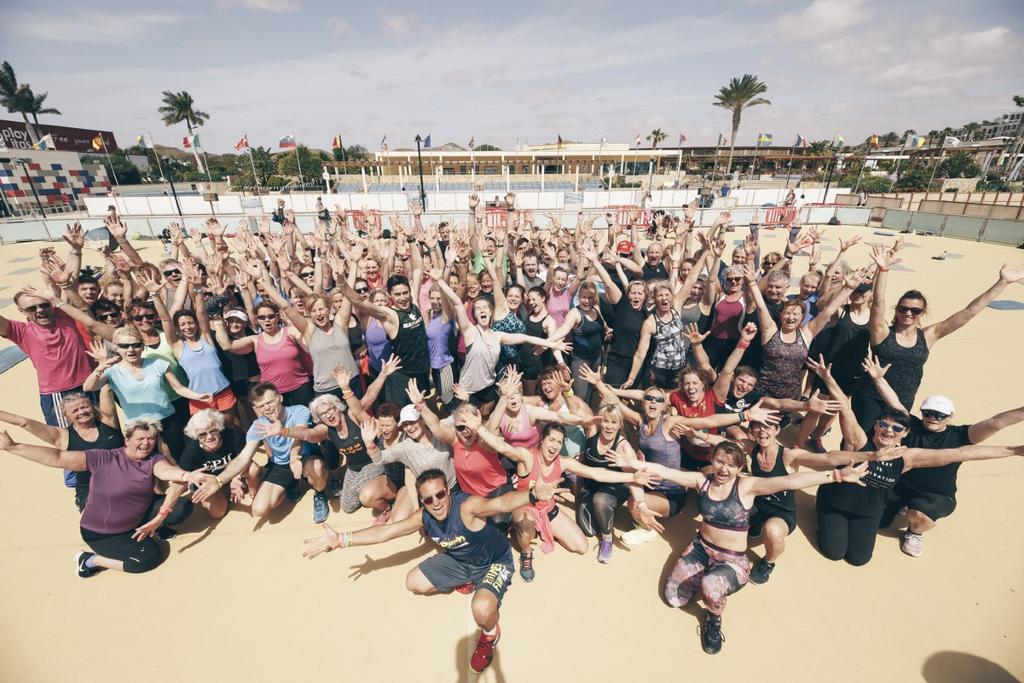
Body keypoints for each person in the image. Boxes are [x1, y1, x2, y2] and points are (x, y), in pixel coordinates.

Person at [302, 468, 563, 674]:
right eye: (428, 499)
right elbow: (387, 531)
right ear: (423, 502)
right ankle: (468, 579)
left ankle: (491, 634)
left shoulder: (467, 507)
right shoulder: (424, 516)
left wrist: (532, 495)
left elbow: (501, 504)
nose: (436, 503)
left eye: (440, 495)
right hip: (460, 561)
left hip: (493, 562)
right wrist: (342, 540)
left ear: (448, 493)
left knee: (482, 611)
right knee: (413, 582)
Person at [642, 441, 871, 654]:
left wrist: (837, 475)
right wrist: (632, 463)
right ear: (712, 460)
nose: (724, 469)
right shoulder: (702, 481)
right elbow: (665, 471)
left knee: (710, 587)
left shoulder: (748, 485)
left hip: (731, 560)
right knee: (673, 598)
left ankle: (714, 620)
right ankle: (701, 571)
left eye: (731, 465)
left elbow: (792, 481)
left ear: (740, 467)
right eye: (720, 461)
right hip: (700, 549)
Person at [809, 356, 1024, 566]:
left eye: (896, 428)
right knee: (834, 552)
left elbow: (965, 452)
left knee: (859, 559)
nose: (889, 430)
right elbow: (850, 408)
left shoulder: (914, 453)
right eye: (883, 425)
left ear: (904, 433)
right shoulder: (861, 441)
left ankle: (913, 530)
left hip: (909, 499)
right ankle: (828, 514)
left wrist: (1015, 450)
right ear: (875, 425)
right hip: (853, 498)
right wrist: (830, 379)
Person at [0, 419, 212, 577]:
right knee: (147, 559)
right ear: (127, 440)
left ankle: (152, 526)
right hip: (104, 533)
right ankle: (90, 560)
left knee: (182, 508)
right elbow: (58, 457)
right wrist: (13, 447)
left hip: (137, 516)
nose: (146, 443)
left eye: (151, 439)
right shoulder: (104, 458)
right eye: (141, 439)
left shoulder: (154, 458)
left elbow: (166, 472)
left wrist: (186, 475)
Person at [853, 249, 1024, 432]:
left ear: (922, 313)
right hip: (870, 397)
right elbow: (878, 302)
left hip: (903, 401)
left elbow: (968, 313)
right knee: (858, 442)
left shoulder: (928, 335)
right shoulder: (882, 332)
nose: (908, 313)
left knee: (888, 444)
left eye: (915, 310)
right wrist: (883, 271)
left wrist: (1002, 282)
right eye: (903, 309)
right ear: (896, 310)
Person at [477, 421, 657, 581]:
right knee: (525, 528)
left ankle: (543, 528)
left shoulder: (563, 462)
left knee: (581, 546)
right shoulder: (528, 457)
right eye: (551, 440)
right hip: (525, 508)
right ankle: (526, 552)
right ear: (542, 440)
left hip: (547, 509)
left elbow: (596, 473)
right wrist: (479, 429)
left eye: (559, 442)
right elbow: (504, 448)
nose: (555, 446)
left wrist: (633, 476)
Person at [83, 327, 212, 456]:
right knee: (147, 463)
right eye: (124, 346)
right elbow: (88, 387)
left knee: (178, 456)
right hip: (138, 427)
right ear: (117, 348)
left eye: (136, 345)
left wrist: (198, 396)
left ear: (143, 347)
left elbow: (178, 388)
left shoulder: (158, 363)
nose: (130, 350)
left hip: (167, 421)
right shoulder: (112, 371)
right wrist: (100, 368)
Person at [0, 391, 122, 511]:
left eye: (84, 407)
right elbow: (24, 423)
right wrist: (10, 446)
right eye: (75, 410)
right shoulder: (63, 437)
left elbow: (106, 389)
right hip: (91, 490)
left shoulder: (108, 421)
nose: (82, 412)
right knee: (95, 525)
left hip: (125, 478)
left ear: (92, 407)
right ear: (66, 415)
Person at [360, 405, 456, 522]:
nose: (409, 428)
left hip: (453, 488)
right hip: (430, 497)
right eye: (405, 425)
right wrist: (369, 444)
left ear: (422, 420)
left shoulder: (437, 428)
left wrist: (466, 399)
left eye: (412, 422)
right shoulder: (405, 447)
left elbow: (457, 416)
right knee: (400, 519)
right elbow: (380, 458)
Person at [214, 299, 313, 408]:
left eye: (271, 316)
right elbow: (227, 345)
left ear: (277, 316)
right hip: (271, 394)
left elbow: (311, 348)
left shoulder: (290, 332)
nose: (267, 320)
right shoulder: (255, 340)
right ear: (256, 320)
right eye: (261, 317)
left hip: (300, 387)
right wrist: (217, 318)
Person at [243, 383, 321, 521]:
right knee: (258, 509)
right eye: (261, 406)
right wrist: (231, 479)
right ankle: (291, 484)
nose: (267, 407)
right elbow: (244, 456)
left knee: (317, 467)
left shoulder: (299, 411)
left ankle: (321, 494)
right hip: (281, 465)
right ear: (256, 408)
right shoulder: (258, 425)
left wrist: (293, 457)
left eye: (270, 401)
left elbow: (301, 436)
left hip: (304, 456)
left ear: (280, 398)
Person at [178, 409, 259, 520]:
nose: (209, 437)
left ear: (220, 428)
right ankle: (218, 495)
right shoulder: (191, 451)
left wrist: (236, 478)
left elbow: (245, 459)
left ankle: (252, 489)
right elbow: (181, 478)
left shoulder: (233, 434)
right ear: (196, 436)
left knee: (253, 469)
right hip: (207, 481)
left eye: (213, 431)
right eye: (202, 435)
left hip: (230, 473)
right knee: (218, 513)